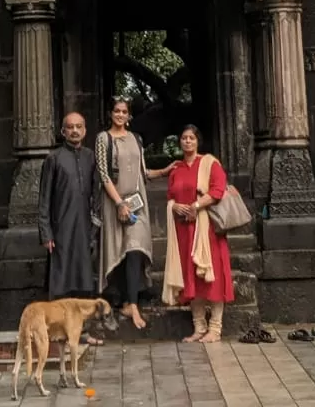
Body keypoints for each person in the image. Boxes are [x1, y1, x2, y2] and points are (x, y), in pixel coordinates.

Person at [95, 97, 174, 330]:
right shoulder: (104, 139)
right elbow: (104, 174)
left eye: (124, 112)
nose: (120, 115)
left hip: (137, 204)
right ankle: (122, 299)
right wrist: (119, 204)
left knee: (134, 249)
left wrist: (165, 171)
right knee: (120, 249)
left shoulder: (136, 139)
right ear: (111, 114)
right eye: (116, 111)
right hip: (114, 202)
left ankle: (132, 303)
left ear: (129, 116)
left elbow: (143, 171)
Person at [164, 124, 234, 343]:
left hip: (207, 229)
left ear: (197, 141)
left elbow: (217, 190)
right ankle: (199, 327)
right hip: (184, 229)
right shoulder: (176, 169)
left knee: (211, 276)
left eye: (191, 138)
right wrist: (174, 206)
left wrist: (195, 206)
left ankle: (215, 327)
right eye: (184, 138)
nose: (187, 141)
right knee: (190, 276)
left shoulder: (210, 163)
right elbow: (170, 196)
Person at [38, 112, 99, 307]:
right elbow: (44, 198)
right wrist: (46, 233)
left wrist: (95, 227)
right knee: (61, 277)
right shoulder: (53, 159)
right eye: (70, 127)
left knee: (84, 276)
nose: (75, 131)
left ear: (85, 130)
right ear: (63, 131)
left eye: (78, 127)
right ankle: (59, 329)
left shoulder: (91, 157)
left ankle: (83, 329)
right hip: (61, 228)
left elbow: (97, 193)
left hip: (84, 226)